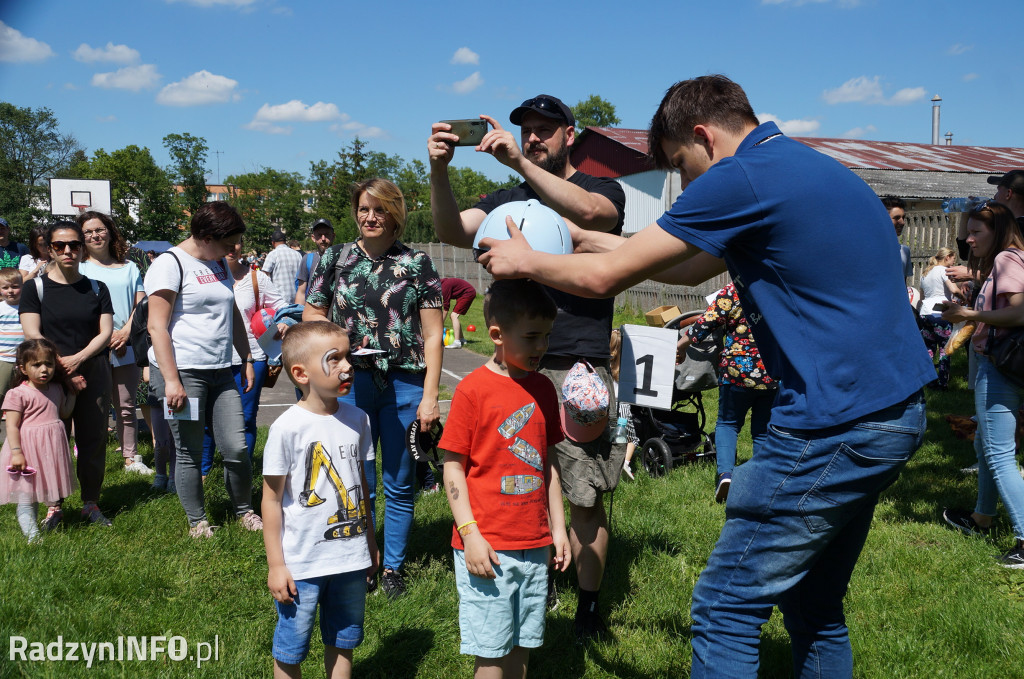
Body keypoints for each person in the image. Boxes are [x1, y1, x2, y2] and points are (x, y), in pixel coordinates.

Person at [478, 75, 933, 677]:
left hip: (833, 423)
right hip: (894, 413)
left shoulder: (741, 176)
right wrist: (590, 238)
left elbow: (602, 280)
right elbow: (693, 266)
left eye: (680, 166)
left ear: (704, 136)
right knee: (814, 604)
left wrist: (525, 260)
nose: (686, 185)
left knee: (723, 607)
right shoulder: (804, 168)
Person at [429, 94, 628, 640]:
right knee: (516, 475)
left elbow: (592, 217)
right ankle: (530, 572)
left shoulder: (599, 188)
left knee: (583, 491)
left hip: (575, 366)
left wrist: (517, 161)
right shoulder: (505, 198)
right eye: (526, 131)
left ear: (570, 135)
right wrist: (438, 170)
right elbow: (451, 229)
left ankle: (588, 606)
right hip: (513, 365)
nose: (533, 138)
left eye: (545, 129)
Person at [304, 178, 443, 599]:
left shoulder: (418, 262)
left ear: (395, 213)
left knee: (399, 481)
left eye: (379, 210)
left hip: (404, 384)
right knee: (355, 478)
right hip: (349, 385)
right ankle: (361, 558)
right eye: (364, 209)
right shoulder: (335, 258)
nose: (370, 217)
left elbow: (434, 335)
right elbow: (313, 315)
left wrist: (431, 396)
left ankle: (393, 568)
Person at [440, 279, 570, 678]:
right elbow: (452, 466)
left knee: (523, 646)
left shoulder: (545, 388)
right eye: (531, 337)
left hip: (535, 542)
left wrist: (559, 530)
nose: (540, 347)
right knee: (492, 653)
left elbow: (547, 464)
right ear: (496, 335)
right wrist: (471, 533)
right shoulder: (472, 391)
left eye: (546, 336)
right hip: (488, 547)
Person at [262, 321, 378, 679]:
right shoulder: (287, 427)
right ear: (300, 373)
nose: (347, 366)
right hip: (303, 565)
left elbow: (362, 488)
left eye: (348, 357)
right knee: (291, 648)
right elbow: (270, 500)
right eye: (334, 359)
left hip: (350, 558)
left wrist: (371, 544)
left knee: (344, 639)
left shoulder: (358, 419)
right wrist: (276, 564)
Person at [145, 201, 262, 538]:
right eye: (229, 242)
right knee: (189, 450)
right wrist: (171, 381)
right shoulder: (169, 264)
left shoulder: (219, 263)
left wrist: (247, 357)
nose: (234, 249)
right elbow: (157, 327)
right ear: (207, 235)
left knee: (237, 448)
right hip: (183, 375)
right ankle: (197, 521)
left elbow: (234, 314)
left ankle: (244, 511)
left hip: (222, 371)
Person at [940, 201, 1024, 568]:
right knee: (988, 450)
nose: (969, 239)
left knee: (999, 453)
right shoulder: (1005, 260)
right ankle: (981, 519)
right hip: (1005, 364)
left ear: (998, 231)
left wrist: (970, 313)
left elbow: (1019, 311)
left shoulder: (1008, 259)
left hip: (1000, 363)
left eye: (977, 232)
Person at [20, 221, 115, 526]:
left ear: (82, 248)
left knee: (93, 438)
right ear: (48, 249)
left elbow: (106, 332)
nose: (68, 251)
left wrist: (81, 358)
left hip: (93, 370)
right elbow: (32, 333)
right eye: (59, 246)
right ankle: (54, 505)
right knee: (51, 440)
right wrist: (62, 365)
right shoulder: (34, 287)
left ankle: (90, 503)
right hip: (50, 375)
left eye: (74, 244)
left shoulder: (97, 288)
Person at [677, 283, 776, 503]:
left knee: (728, 424)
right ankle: (759, 482)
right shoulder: (779, 287)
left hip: (737, 372)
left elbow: (705, 322)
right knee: (762, 430)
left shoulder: (735, 290)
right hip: (771, 373)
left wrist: (681, 346)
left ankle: (726, 475)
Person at [202, 237, 288, 473]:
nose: (232, 246)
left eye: (237, 242)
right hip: (211, 358)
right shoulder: (205, 276)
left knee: (246, 418)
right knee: (207, 419)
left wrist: (282, 322)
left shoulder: (256, 277)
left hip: (252, 358)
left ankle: (241, 472)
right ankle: (203, 472)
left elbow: (281, 305)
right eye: (227, 240)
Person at [78, 211, 150, 474]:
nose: (95, 235)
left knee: (126, 406)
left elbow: (141, 305)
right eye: (88, 232)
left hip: (124, 345)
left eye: (99, 229)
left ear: (109, 232)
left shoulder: (130, 268)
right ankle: (90, 457)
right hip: (91, 348)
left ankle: (130, 457)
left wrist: (125, 333)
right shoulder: (79, 268)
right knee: (92, 407)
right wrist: (102, 338)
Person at [0, 339, 77, 542]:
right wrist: (16, 452)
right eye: (36, 365)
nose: (44, 370)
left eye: (49, 364)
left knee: (37, 494)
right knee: (26, 497)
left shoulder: (56, 389)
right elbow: (11, 425)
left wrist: (74, 393)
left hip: (49, 450)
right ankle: (34, 538)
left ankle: (40, 527)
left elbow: (64, 412)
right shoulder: (17, 393)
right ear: (23, 368)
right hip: (26, 450)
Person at [917, 247, 962, 389]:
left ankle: (928, 381)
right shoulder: (943, 271)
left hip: (925, 313)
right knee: (944, 349)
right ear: (947, 257)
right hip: (940, 313)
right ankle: (943, 383)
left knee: (929, 349)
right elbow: (954, 290)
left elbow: (922, 297)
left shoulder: (925, 273)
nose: (953, 262)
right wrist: (964, 298)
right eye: (953, 258)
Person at [294, 218, 335, 304]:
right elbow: (301, 292)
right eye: (319, 235)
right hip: (312, 312)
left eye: (327, 234)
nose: (323, 239)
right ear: (313, 238)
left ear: (333, 236)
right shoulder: (308, 259)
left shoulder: (342, 258)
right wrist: (299, 314)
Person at [0, 268, 25, 408]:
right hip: (4, 359)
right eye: (5, 287)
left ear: (22, 286)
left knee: (19, 399)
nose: (10, 291)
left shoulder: (28, 306)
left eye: (15, 287)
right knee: (0, 394)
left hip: (23, 360)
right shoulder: (1, 308)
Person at [262, 230, 303, 303]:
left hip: (280, 300)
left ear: (273, 243)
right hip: (297, 298)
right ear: (285, 241)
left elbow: (264, 276)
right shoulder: (297, 254)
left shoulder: (273, 254)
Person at [882, 196, 913, 283]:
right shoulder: (869, 249)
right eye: (896, 218)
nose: (902, 222)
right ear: (883, 218)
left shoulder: (904, 251)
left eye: (903, 217)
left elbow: (903, 284)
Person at [441, 277, 476, 349]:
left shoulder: (444, 286)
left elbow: (446, 308)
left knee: (454, 316)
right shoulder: (442, 284)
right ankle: (461, 339)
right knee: (453, 316)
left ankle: (457, 342)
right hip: (463, 294)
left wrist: (440, 324)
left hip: (468, 293)